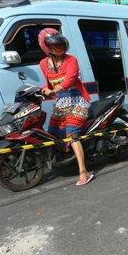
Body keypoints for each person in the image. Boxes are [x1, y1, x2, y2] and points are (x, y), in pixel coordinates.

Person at [37, 28, 94, 186]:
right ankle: (68, 159)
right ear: (46, 47)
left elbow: (70, 79)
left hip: (78, 100)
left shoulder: (71, 60)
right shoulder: (43, 64)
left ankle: (83, 172)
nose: (60, 47)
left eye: (61, 44)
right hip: (61, 102)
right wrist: (43, 90)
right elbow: (47, 84)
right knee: (52, 133)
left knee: (71, 134)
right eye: (55, 45)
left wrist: (53, 90)